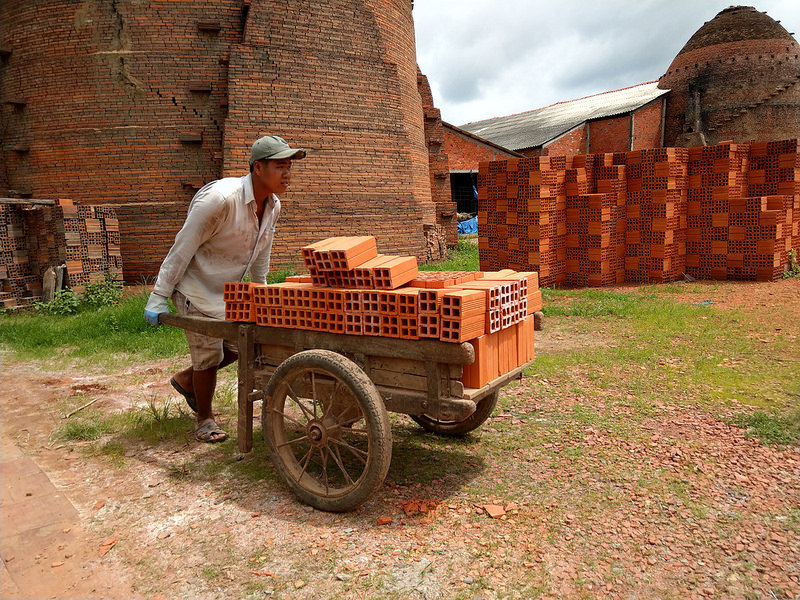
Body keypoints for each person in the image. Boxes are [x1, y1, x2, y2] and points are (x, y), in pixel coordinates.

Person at [144, 135, 306, 443]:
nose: (287, 174)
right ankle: (204, 419)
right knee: (208, 355)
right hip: (195, 287)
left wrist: (261, 292)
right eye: (280, 167)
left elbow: (262, 249)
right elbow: (182, 247)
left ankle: (187, 379)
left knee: (240, 346)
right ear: (258, 168)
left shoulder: (273, 204)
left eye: (290, 167)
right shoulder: (220, 199)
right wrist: (158, 296)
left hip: (227, 291)